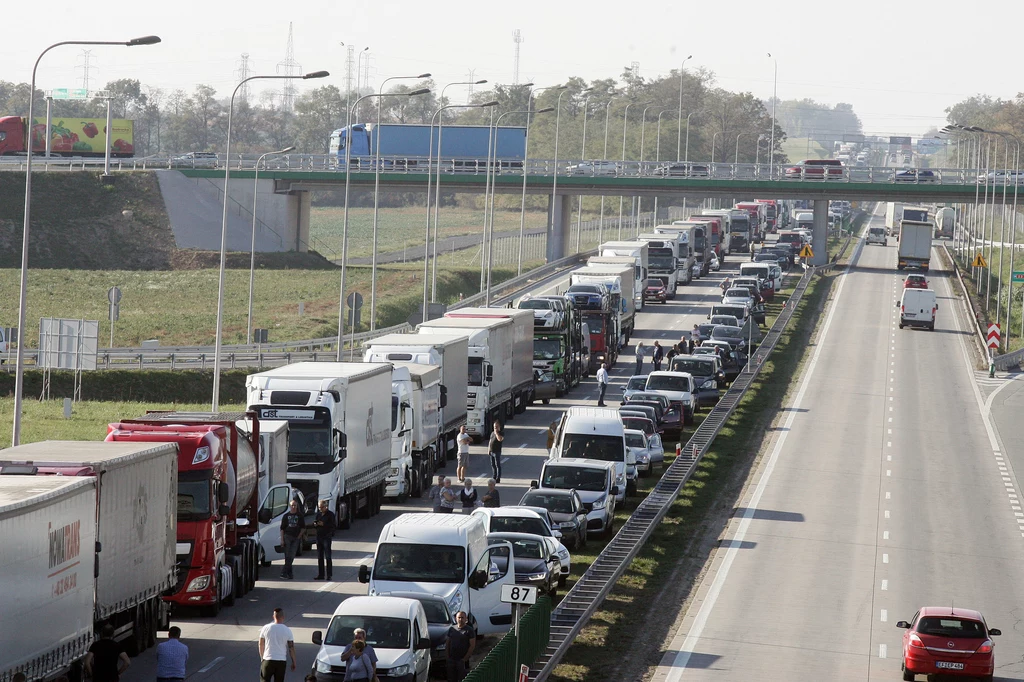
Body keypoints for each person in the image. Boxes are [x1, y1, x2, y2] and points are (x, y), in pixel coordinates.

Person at [259, 608, 296, 682]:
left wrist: (262, 658)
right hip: (281, 661)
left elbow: (261, 644)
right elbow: (291, 648)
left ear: (273, 616)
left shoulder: (266, 628)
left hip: (268, 660)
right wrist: (294, 662)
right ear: (283, 617)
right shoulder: (287, 630)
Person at [445, 611, 476, 682]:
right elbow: (448, 643)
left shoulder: (469, 630)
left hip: (462, 660)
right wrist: (447, 656)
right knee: (451, 678)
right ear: (456, 618)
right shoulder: (452, 629)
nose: (460, 619)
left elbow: (472, 645)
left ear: (466, 619)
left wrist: (465, 659)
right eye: (459, 617)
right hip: (452, 659)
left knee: (462, 678)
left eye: (462, 617)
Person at [279, 498, 305, 579]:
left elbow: (303, 528)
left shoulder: (299, 516)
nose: (293, 507)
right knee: (287, 556)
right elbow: (282, 528)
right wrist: (282, 540)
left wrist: (299, 537)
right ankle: (288, 573)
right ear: (290, 506)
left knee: (292, 555)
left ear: (297, 506)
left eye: (295, 505)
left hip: (296, 538)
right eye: (292, 505)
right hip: (287, 537)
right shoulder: (286, 516)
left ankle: (286, 573)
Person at [313, 498, 336, 581]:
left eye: (322, 507)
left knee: (328, 556)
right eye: (319, 507)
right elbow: (316, 522)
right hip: (319, 537)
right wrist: (316, 524)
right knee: (320, 557)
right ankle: (321, 574)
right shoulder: (318, 515)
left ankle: (329, 575)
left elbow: (333, 525)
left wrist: (324, 524)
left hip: (326, 537)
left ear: (326, 506)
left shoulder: (330, 514)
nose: (320, 509)